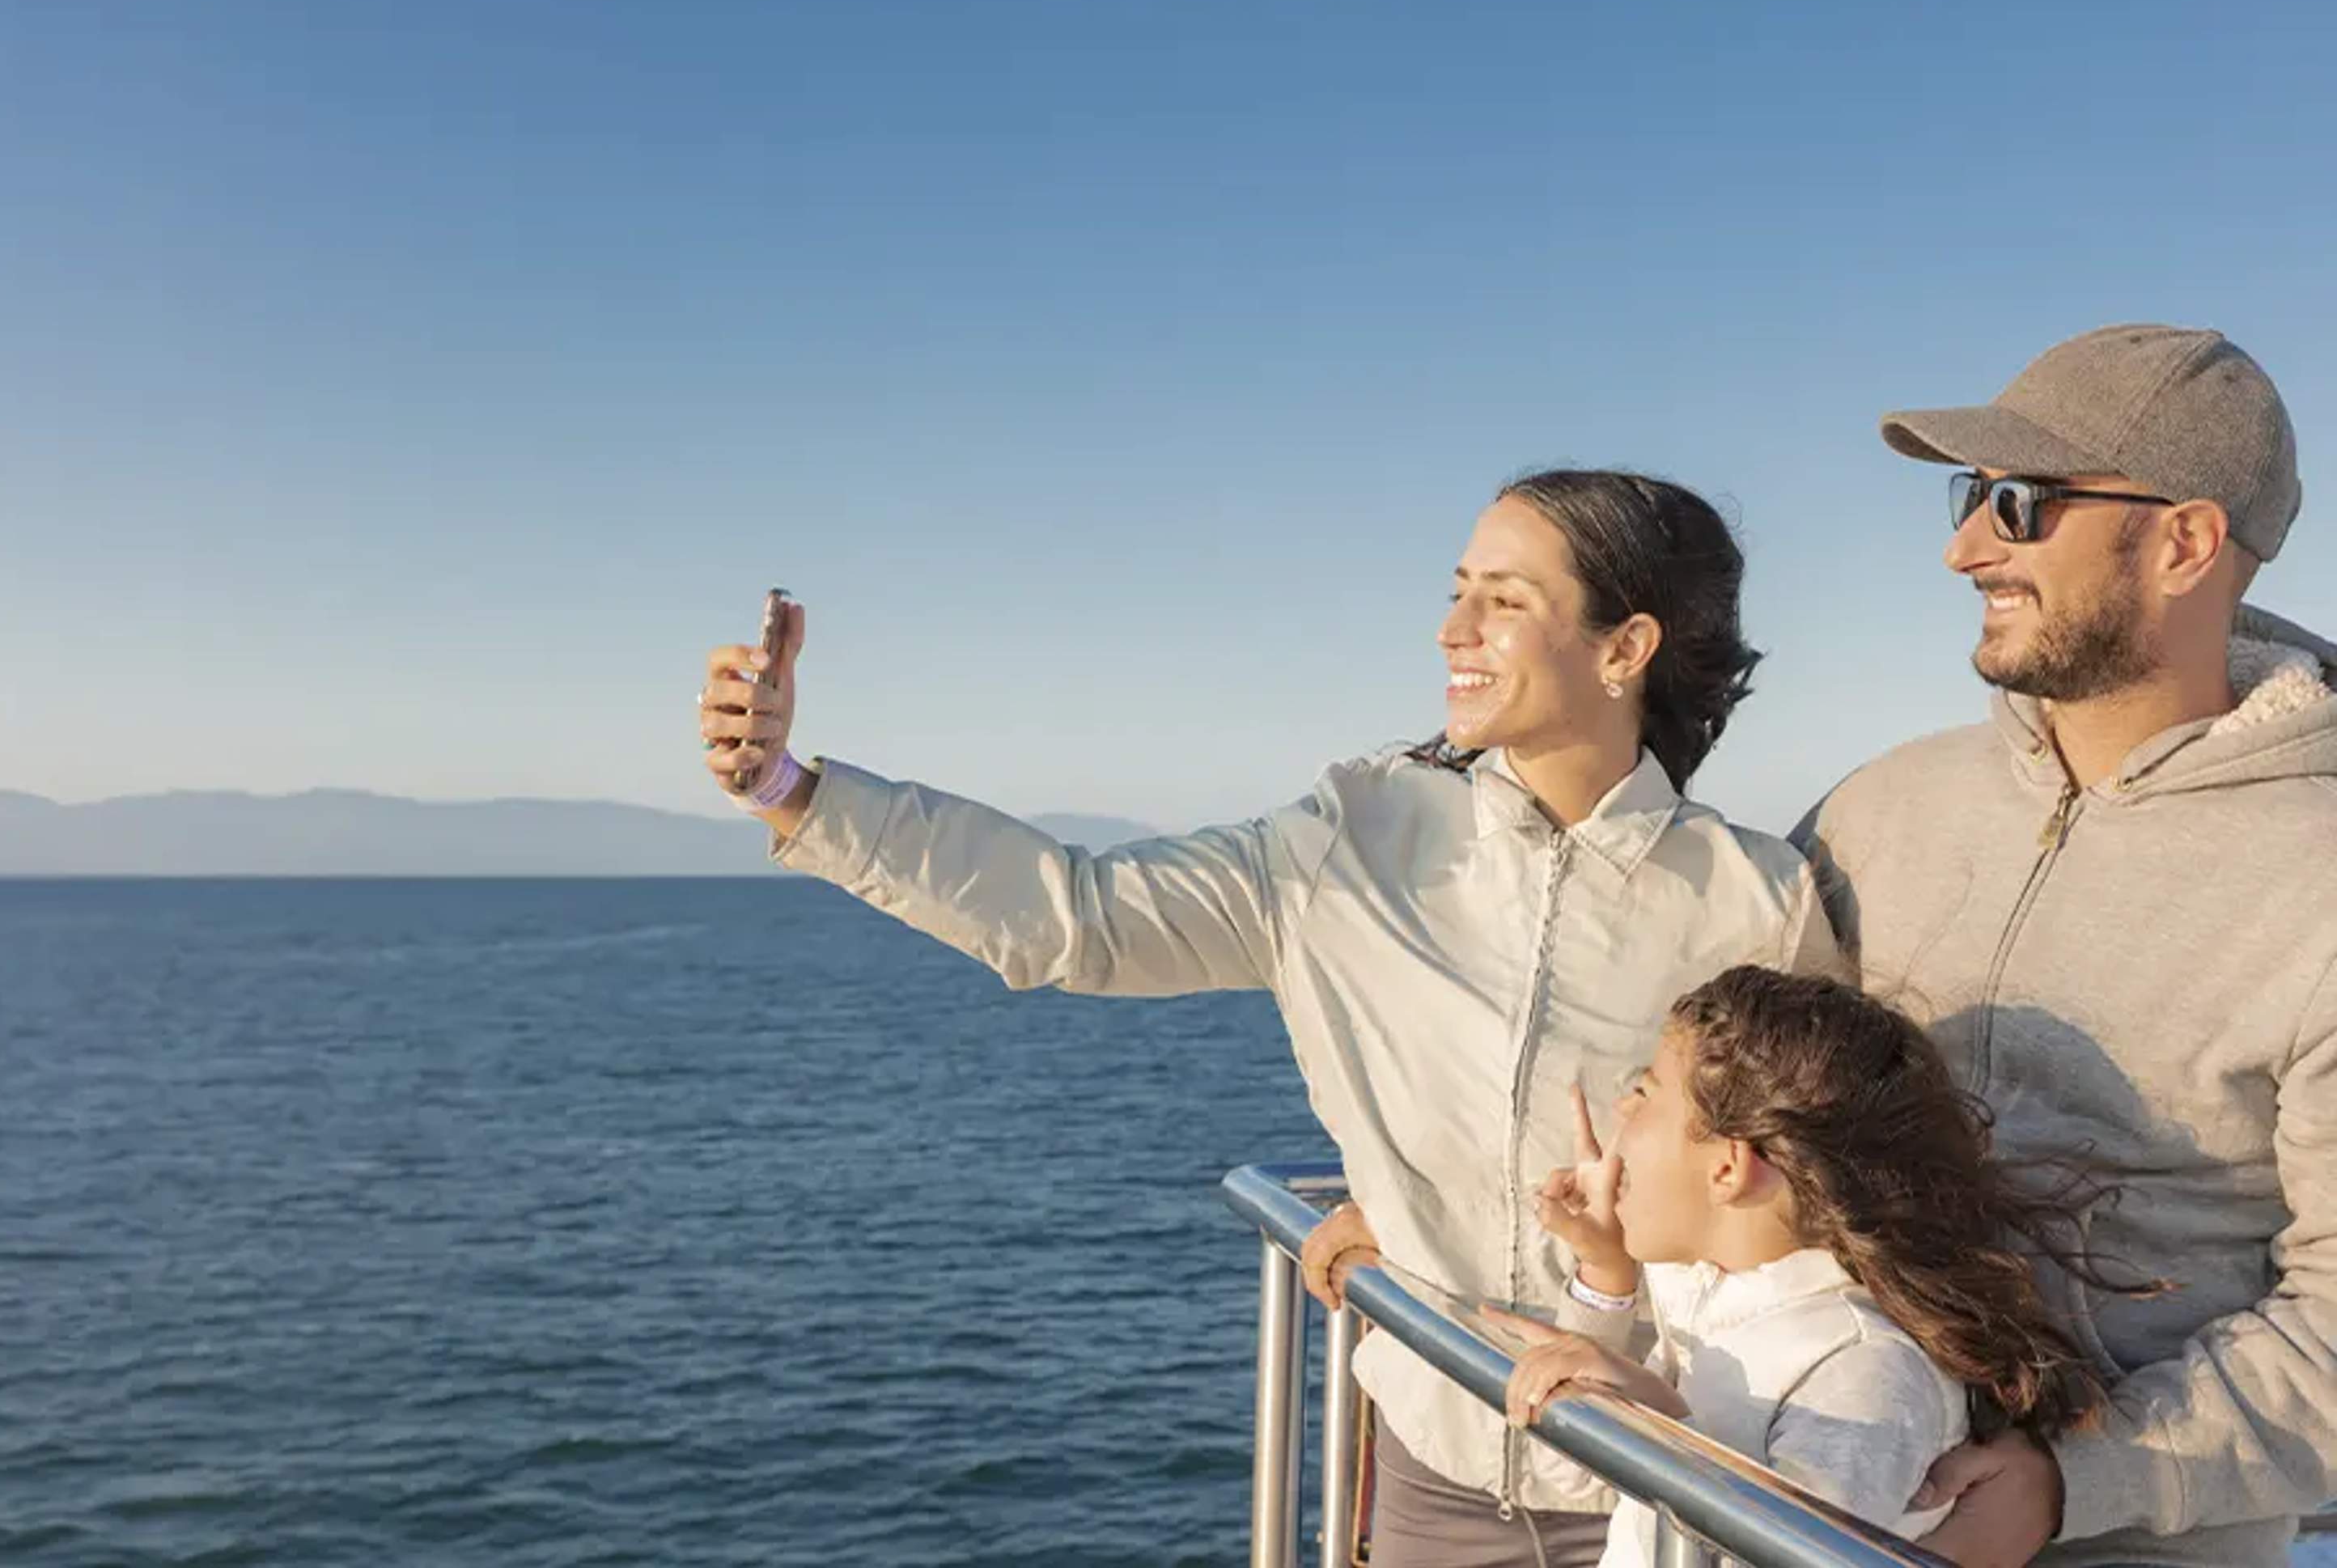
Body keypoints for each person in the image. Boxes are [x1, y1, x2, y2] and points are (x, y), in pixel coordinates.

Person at [695, 469, 1836, 1568]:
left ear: (1625, 648)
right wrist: (797, 792)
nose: (1454, 629)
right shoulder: (1355, 836)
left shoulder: (1755, 899)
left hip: (1674, 1469)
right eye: (1457, 590)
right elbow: (1076, 916)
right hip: (1434, 1470)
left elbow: (1824, 1205)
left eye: (1505, 600)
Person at [1794, 324, 2337, 1567]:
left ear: (2185, 542)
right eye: (1970, 497)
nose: (1964, 545)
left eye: (2020, 504)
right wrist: (1446, 1221)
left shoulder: (2321, 878)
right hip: (1810, 1497)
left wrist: (2073, 1482)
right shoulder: (1874, 810)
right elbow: (1706, 1078)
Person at [1497, 966, 2135, 1568]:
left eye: (1645, 1094)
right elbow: (1566, 1473)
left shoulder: (1865, 1373)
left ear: (1728, 1167)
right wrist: (1606, 1278)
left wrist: (1658, 1423)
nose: (1621, 1115)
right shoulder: (1699, 1289)